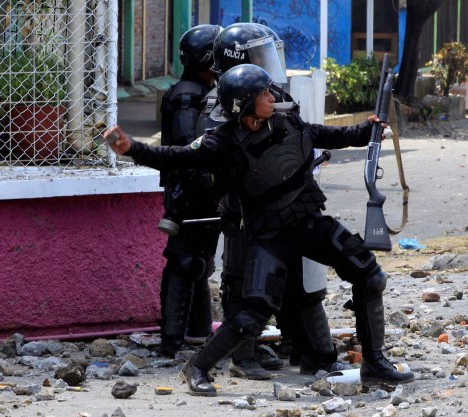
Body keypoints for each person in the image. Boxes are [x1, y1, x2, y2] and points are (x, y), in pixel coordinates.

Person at [106, 64, 415, 396]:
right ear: (243, 104)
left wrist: (365, 130)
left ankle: (375, 362)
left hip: (308, 222)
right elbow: (175, 157)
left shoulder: (287, 121)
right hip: (269, 236)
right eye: (264, 94)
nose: (272, 97)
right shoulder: (221, 142)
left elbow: (328, 135)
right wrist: (131, 148)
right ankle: (196, 367)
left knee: (370, 276)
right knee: (251, 316)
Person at [206, 22, 350, 378]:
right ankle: (243, 356)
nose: (265, 66)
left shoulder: (273, 100)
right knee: (242, 283)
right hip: (243, 211)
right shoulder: (218, 108)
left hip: (282, 210)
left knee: (289, 280)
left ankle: (301, 348)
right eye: (256, 57)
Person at [156, 24, 222, 358]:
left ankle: (196, 332)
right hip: (188, 190)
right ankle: (171, 341)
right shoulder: (187, 94)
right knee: (185, 261)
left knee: (199, 261)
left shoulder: (201, 89)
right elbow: (188, 145)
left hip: (200, 188)